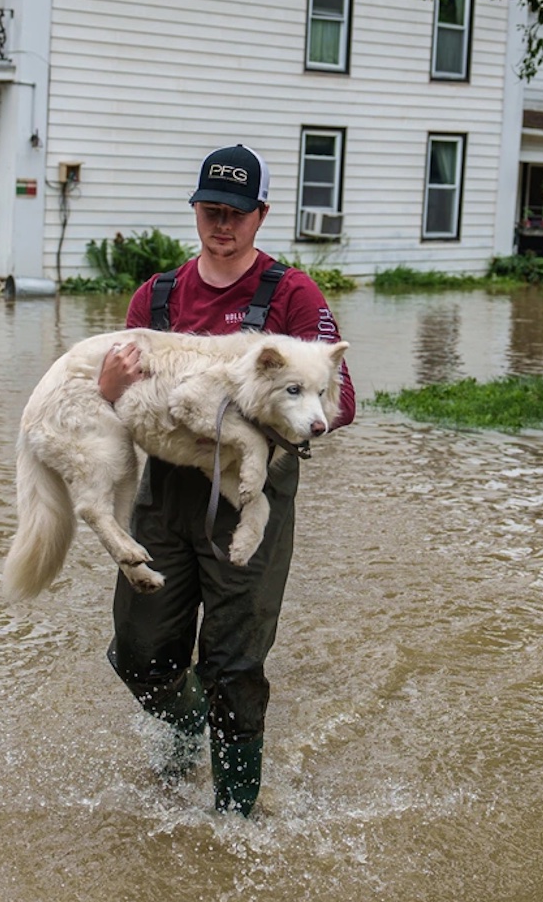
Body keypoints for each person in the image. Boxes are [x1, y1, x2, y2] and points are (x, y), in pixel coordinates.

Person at [96, 143, 355, 816]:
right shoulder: (156, 296)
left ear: (261, 215)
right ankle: (190, 735)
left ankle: (234, 817)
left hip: (251, 496)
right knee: (139, 655)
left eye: (238, 213)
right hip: (164, 496)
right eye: (212, 210)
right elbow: (117, 408)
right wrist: (106, 390)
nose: (223, 225)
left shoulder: (293, 295)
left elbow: (339, 401)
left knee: (233, 667)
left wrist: (245, 412)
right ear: (196, 211)